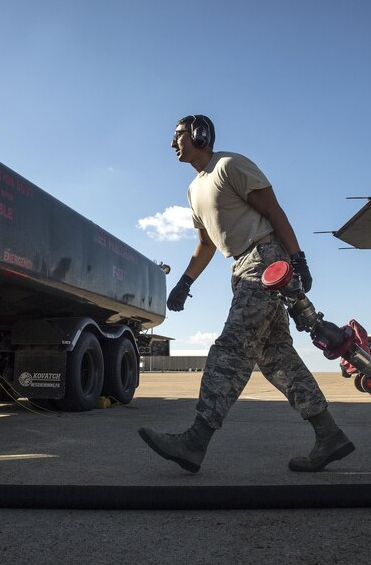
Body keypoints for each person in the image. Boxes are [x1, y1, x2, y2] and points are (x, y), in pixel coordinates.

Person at [137, 114, 355, 474]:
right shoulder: (194, 190)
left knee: (230, 350)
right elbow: (206, 243)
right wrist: (185, 282)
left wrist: (297, 259)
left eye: (178, 135)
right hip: (240, 267)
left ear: (199, 134)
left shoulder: (229, 165)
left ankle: (195, 442)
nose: (172, 143)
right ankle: (329, 435)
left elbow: (273, 210)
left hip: (265, 259)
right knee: (277, 358)